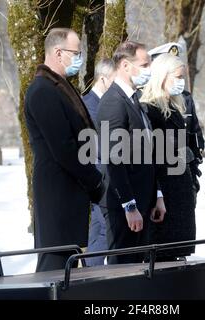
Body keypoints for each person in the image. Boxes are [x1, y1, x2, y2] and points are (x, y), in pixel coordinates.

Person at [25, 28, 105, 272]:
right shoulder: (43, 91)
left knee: (68, 270)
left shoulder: (59, 87)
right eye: (76, 53)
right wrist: (95, 182)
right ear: (58, 53)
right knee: (55, 270)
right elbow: (64, 148)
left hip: (69, 194)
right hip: (56, 196)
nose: (79, 58)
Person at [96, 41, 166, 264]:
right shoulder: (113, 103)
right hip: (124, 206)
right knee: (123, 274)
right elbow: (114, 159)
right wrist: (130, 205)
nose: (149, 70)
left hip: (143, 201)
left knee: (138, 272)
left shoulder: (134, 100)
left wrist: (156, 195)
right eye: (144, 64)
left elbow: (147, 154)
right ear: (125, 66)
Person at [140, 53, 196, 261]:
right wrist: (159, 194)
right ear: (162, 77)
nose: (181, 82)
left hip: (180, 191)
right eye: (177, 77)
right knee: (163, 254)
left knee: (178, 254)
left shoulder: (175, 107)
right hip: (164, 193)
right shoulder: (150, 109)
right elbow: (153, 158)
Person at [148, 42, 204, 203]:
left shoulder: (184, 98)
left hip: (185, 172)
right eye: (176, 76)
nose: (180, 80)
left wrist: (193, 168)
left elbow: (193, 132)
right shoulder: (148, 104)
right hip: (163, 181)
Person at [83, 58, 116, 267]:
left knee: (98, 230)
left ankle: (87, 273)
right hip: (100, 178)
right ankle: (90, 277)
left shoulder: (100, 103)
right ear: (103, 79)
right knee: (106, 229)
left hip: (102, 177)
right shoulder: (90, 106)